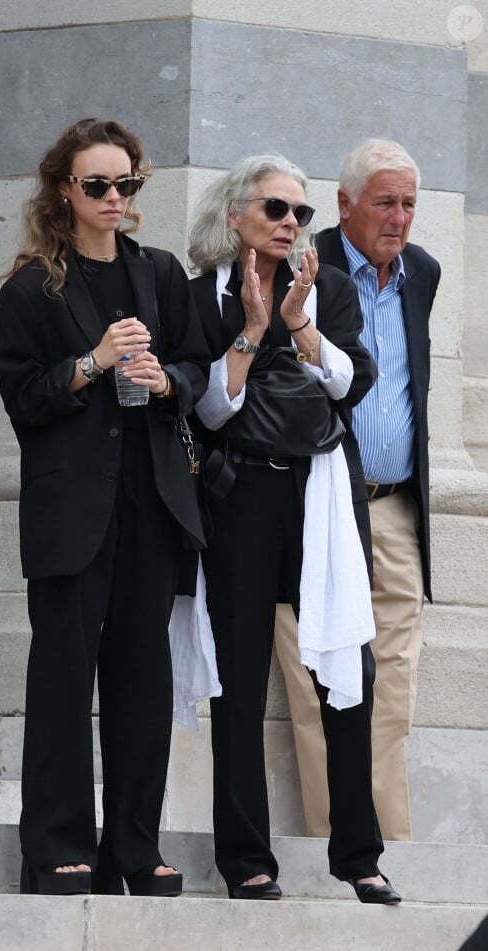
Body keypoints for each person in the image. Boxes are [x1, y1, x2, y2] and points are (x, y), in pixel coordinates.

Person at [0, 118, 210, 897]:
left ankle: (133, 845)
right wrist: (91, 362)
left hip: (150, 499)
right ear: (64, 191)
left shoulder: (159, 273)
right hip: (71, 510)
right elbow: (22, 396)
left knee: (142, 678)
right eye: (98, 185)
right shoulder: (29, 289)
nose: (114, 198)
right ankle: (56, 844)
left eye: (126, 184)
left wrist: (167, 381)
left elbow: (194, 361)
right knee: (61, 677)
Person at [187, 153, 401, 904]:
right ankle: (246, 858)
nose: (289, 223)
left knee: (350, 668)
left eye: (300, 213)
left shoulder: (329, 290)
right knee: (239, 680)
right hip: (240, 494)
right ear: (234, 214)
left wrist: (298, 323)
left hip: (320, 490)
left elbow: (351, 382)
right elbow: (208, 411)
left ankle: (360, 855)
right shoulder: (200, 298)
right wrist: (248, 331)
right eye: (275, 208)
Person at [275, 138, 441, 841]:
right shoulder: (298, 266)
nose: (399, 218)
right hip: (316, 506)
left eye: (408, 203)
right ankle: (340, 848)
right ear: (343, 205)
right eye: (384, 202)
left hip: (395, 509)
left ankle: (390, 849)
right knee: (320, 684)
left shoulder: (422, 274)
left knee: (392, 690)